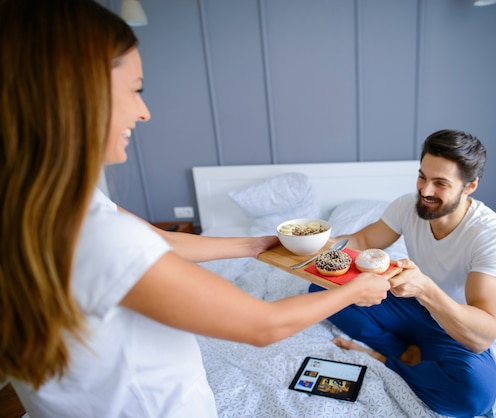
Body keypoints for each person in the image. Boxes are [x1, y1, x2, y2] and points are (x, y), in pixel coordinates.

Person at [0, 1, 392, 416]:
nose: (144, 112)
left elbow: (159, 241)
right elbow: (263, 325)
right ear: (75, 94)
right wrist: (355, 290)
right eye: (135, 90)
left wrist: (256, 245)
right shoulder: (100, 237)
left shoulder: (44, 207)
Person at [310, 129, 496, 417]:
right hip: (410, 308)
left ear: (470, 186)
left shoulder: (493, 238)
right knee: (321, 289)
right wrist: (310, 243)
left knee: (473, 396)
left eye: (440, 183)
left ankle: (386, 356)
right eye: (422, 176)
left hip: (453, 325)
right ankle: (402, 352)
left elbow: (483, 336)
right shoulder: (408, 206)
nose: (425, 191)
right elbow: (362, 242)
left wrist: (424, 287)